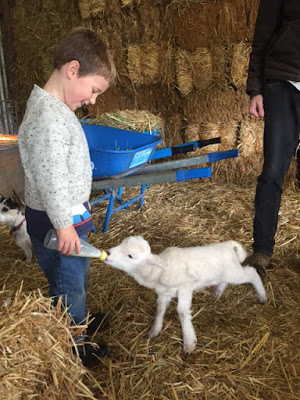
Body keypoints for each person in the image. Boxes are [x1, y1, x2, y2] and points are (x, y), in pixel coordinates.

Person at [18, 27, 117, 367]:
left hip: (66, 219)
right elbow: (52, 178)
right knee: (68, 283)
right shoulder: (48, 118)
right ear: (72, 70)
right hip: (57, 224)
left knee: (76, 276)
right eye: (93, 90)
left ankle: (81, 318)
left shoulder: (57, 110)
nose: (93, 99)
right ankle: (73, 341)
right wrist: (63, 227)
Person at [246, 0, 300, 276]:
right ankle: (262, 250)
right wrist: (255, 88)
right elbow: (264, 33)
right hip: (285, 82)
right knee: (272, 171)